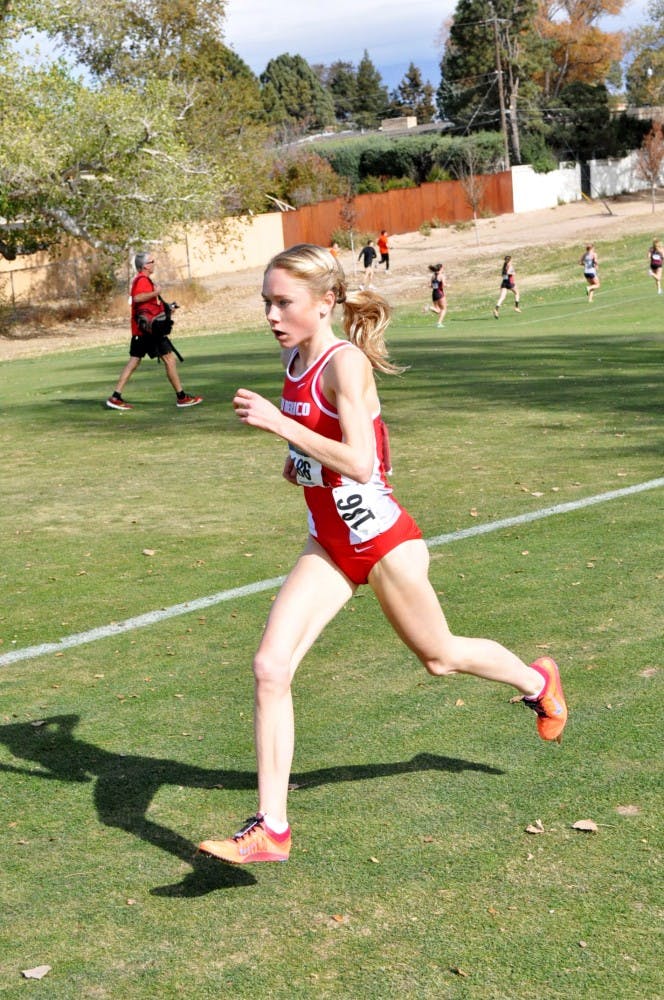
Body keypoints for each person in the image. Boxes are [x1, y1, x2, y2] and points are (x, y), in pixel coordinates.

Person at [197, 243, 568, 866]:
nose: (271, 316)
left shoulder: (344, 365)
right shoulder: (293, 358)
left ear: (325, 302)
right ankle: (271, 828)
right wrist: (297, 460)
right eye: (267, 302)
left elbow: (361, 463)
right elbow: (319, 450)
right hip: (329, 542)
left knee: (441, 658)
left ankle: (538, 681)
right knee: (270, 666)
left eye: (283, 302)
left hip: (383, 543)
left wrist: (280, 426)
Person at [106, 251, 203, 410]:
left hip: (141, 331)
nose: (154, 263)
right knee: (169, 359)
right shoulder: (142, 280)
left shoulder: (143, 280)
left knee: (134, 361)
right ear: (145, 266)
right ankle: (182, 398)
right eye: (152, 261)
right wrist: (156, 292)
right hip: (149, 332)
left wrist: (167, 308)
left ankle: (115, 397)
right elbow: (137, 298)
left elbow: (149, 306)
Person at [428, 263, 447, 327]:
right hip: (440, 293)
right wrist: (448, 285)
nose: (443, 269)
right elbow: (443, 285)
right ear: (440, 268)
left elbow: (431, 286)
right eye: (443, 268)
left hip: (434, 294)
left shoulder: (433, 276)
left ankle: (429, 307)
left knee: (438, 310)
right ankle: (439, 323)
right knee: (444, 309)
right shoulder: (441, 276)